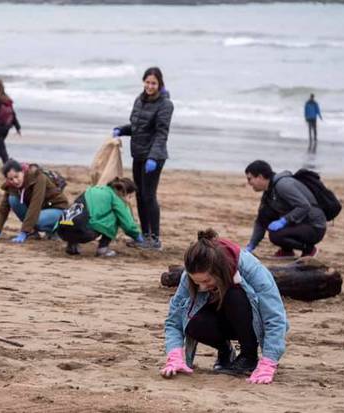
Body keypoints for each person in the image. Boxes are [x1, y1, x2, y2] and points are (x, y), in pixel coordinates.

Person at [162, 229, 288, 384]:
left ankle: (249, 356)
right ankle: (225, 351)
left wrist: (269, 362)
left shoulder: (251, 268)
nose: (201, 287)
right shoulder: (189, 275)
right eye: (197, 282)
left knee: (233, 295)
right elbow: (174, 319)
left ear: (219, 271)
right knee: (191, 321)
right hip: (220, 318)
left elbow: (275, 317)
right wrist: (174, 355)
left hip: (249, 322)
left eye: (207, 281)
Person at [113, 67, 173, 250]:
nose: (150, 86)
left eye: (153, 83)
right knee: (139, 195)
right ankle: (144, 235)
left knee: (149, 196)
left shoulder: (166, 105)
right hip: (138, 154)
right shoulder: (139, 100)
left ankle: (154, 239)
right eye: (147, 82)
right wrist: (122, 130)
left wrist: (153, 157)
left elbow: (161, 133)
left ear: (159, 84)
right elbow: (137, 127)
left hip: (154, 157)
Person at [245, 160, 326, 259]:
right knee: (265, 214)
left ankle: (309, 249)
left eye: (250, 179)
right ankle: (287, 251)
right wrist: (251, 245)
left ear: (260, 177)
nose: (249, 183)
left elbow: (304, 206)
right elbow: (261, 221)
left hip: (314, 226)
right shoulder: (269, 191)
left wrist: (284, 221)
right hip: (299, 223)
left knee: (275, 235)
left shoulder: (283, 185)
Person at [0, 160, 69, 244]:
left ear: (22, 171)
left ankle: (56, 230)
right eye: (10, 179)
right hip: (41, 210)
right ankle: (32, 231)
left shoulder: (39, 177)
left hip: (58, 208)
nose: (15, 181)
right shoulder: (11, 185)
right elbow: (3, 209)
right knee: (12, 199)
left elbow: (35, 204)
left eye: (16, 176)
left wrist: (24, 231)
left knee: (37, 221)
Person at [57, 177, 144, 257]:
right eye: (130, 196)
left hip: (62, 229)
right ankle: (103, 248)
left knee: (81, 215)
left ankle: (72, 246)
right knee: (116, 216)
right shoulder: (116, 197)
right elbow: (127, 224)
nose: (129, 200)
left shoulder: (93, 189)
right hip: (83, 232)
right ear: (124, 192)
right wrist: (137, 236)